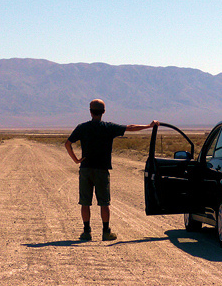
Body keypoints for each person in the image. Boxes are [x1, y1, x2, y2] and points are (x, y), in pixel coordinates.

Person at [65, 99, 156, 241]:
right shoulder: (108, 127)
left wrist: (76, 160)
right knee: (104, 202)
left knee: (85, 202)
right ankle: (106, 232)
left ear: (90, 111)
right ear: (103, 112)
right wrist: (149, 126)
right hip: (102, 170)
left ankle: (86, 232)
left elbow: (67, 144)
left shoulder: (82, 127)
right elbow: (130, 128)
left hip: (86, 169)